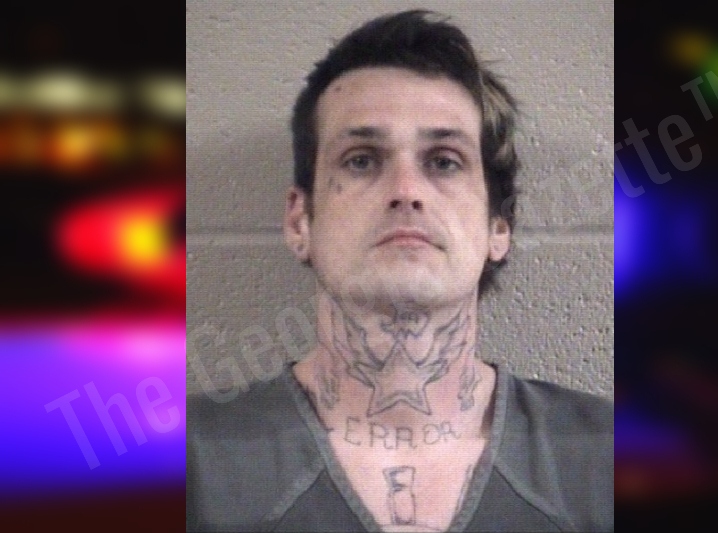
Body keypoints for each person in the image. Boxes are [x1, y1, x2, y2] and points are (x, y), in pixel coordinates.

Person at [187, 10, 613, 532]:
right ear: (300, 221)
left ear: (498, 226)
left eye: (444, 161)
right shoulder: (185, 466)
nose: (405, 192)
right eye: (362, 160)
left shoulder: (607, 459)